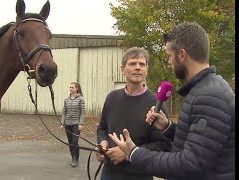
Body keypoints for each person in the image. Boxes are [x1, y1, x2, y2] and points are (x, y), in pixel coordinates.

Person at [109, 22, 235, 180]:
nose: (169, 62)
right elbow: (198, 143)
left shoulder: (210, 96)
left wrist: (134, 153)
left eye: (169, 56)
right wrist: (167, 127)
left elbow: (189, 164)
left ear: (182, 55)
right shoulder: (204, 90)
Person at [96, 47, 172, 180]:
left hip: (139, 174)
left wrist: (128, 153)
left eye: (142, 64)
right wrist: (103, 143)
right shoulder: (111, 98)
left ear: (146, 69)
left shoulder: (156, 103)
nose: (138, 67)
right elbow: (102, 128)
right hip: (109, 173)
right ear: (122, 69)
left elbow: (162, 144)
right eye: (132, 64)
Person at [60, 82, 85, 167]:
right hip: (67, 123)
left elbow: (83, 112)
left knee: (75, 141)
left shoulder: (81, 99)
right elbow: (64, 112)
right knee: (70, 142)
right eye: (70, 87)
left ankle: (76, 158)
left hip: (76, 123)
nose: (70, 89)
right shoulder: (66, 99)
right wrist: (62, 123)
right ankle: (73, 158)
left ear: (76, 88)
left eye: (72, 87)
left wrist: (81, 123)